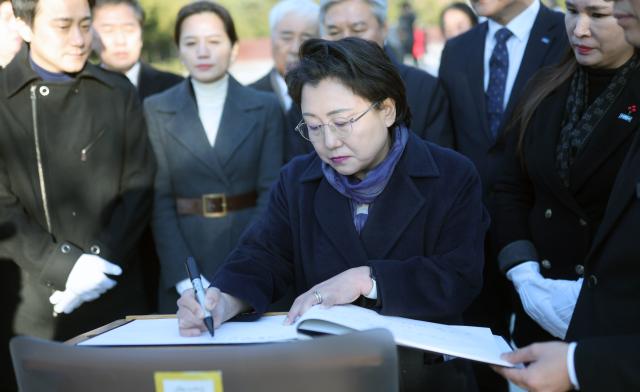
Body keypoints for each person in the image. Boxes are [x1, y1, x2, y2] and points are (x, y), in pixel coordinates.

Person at [176, 37, 489, 392]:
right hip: (327, 372)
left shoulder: (450, 175)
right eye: (313, 126)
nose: (329, 141)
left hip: (423, 374)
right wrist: (224, 300)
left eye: (342, 122)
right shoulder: (298, 179)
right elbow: (264, 255)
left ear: (386, 109)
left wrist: (368, 280)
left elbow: (459, 276)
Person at [493, 0, 640, 388]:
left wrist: (589, 295)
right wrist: (522, 269)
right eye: (572, 11)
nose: (579, 29)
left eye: (598, 15)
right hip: (536, 309)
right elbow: (509, 184)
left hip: (613, 326)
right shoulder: (544, 84)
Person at [0, 0, 155, 341]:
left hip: (113, 283)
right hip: (33, 296)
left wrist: (98, 260)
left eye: (85, 25)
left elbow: (139, 183)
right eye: (62, 25)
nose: (79, 39)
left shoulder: (116, 91)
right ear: (24, 27)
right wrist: (64, 266)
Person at [438, 0, 568, 390]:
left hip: (548, 240)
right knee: (480, 365)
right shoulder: (457, 49)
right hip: (470, 239)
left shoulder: (571, 35)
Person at [144, 1, 284, 313]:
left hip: (250, 252)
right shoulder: (156, 108)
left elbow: (271, 193)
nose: (202, 52)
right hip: (185, 259)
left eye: (214, 41)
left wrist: (245, 270)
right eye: (191, 43)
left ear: (234, 48)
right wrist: (183, 277)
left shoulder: (266, 107)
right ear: (179, 50)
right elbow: (159, 201)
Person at [319, 0, 453, 147]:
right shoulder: (312, 93)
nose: (345, 40)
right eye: (334, 32)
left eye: (358, 29)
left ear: (384, 28)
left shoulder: (424, 88)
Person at [250, 0, 319, 162]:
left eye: (306, 38)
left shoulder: (331, 98)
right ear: (272, 40)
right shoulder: (249, 98)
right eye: (286, 37)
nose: (295, 49)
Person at [92, 0, 182, 101]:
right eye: (108, 30)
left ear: (141, 35)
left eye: (128, 29)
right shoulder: (78, 89)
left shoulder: (176, 88)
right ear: (90, 35)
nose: (120, 41)